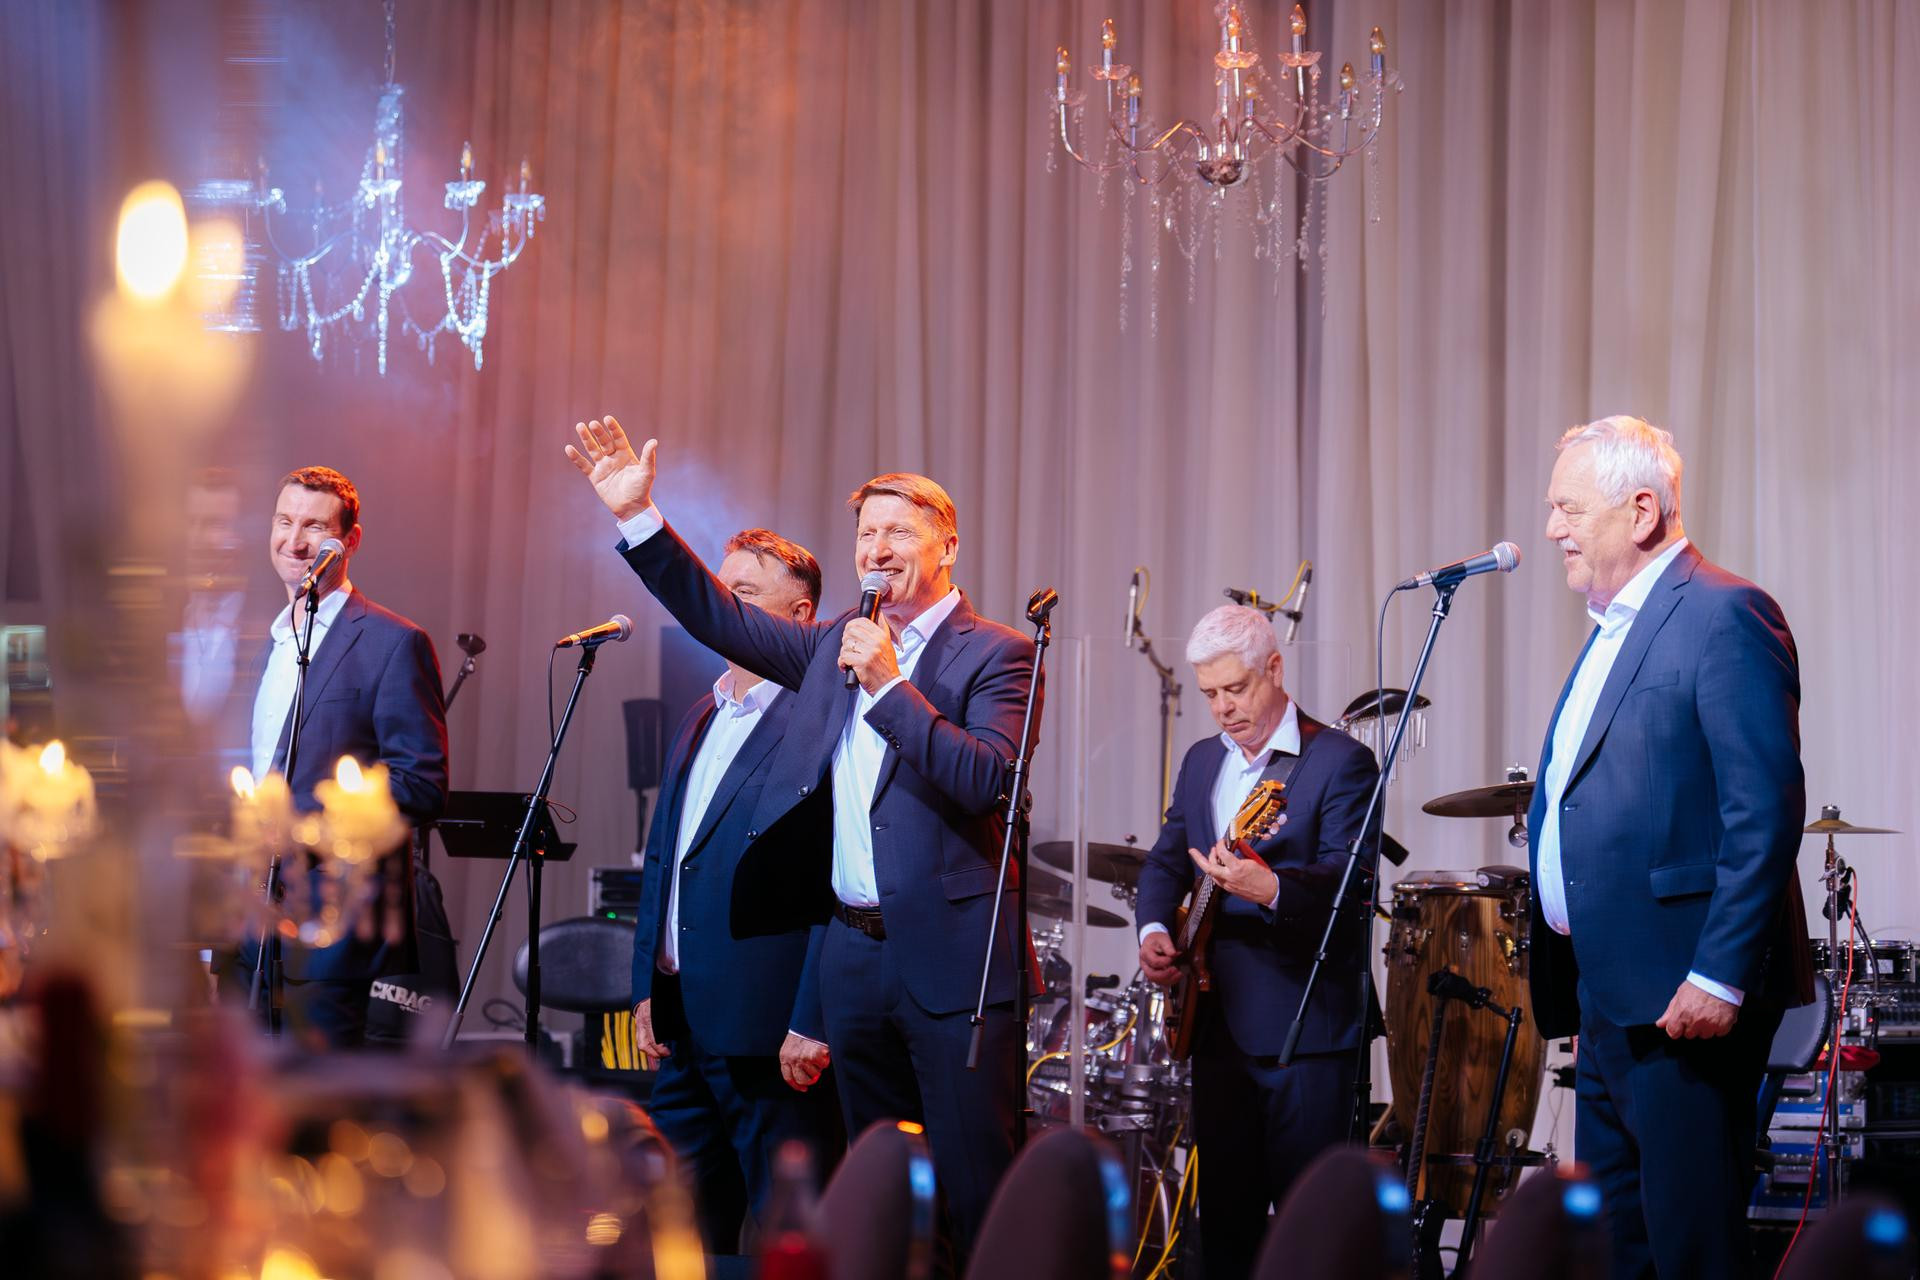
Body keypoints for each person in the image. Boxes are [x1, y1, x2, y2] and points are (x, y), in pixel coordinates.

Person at [565, 415, 1037, 1260]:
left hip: (952, 961)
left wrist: (888, 685)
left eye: (899, 532)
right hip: (852, 956)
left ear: (949, 545)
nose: (877, 549)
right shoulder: (830, 651)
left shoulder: (997, 653)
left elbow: (984, 780)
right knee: (880, 1205)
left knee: (974, 1197)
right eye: (866, 534)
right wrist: (638, 516)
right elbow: (720, 617)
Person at [1528, 416, 1812, 1278]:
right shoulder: (1611, 628)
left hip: (1686, 995)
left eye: (1570, 508)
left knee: (1690, 1249)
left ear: (1642, 510)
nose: (1553, 527)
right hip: (1611, 997)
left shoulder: (1725, 613)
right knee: (1620, 1249)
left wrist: (1719, 975)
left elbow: (1762, 808)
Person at [1134, 604, 1379, 1280]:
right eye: (1209, 693)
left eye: (1235, 689)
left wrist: (1269, 888)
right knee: (1227, 1226)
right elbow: (1166, 859)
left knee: (1313, 1232)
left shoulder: (1341, 761)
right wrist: (1155, 929)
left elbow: (1353, 882)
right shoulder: (1200, 760)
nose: (1222, 708)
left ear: (1274, 668)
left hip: (1306, 1026)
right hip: (1216, 1023)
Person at [629, 527, 842, 1256]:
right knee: (679, 1237)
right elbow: (665, 859)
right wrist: (647, 987)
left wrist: (812, 1017)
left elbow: (834, 882)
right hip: (683, 1025)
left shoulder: (819, 722)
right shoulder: (704, 710)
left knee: (789, 1239)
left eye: (741, 594)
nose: (721, 605)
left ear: (801, 616)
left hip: (768, 1032)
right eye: (720, 590)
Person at [242, 466, 449, 1049]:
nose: (294, 541)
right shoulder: (270, 645)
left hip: (335, 926)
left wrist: (306, 827)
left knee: (316, 1091)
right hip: (252, 920)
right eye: (284, 521)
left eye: (314, 527)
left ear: (350, 541)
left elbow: (421, 784)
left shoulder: (393, 642)